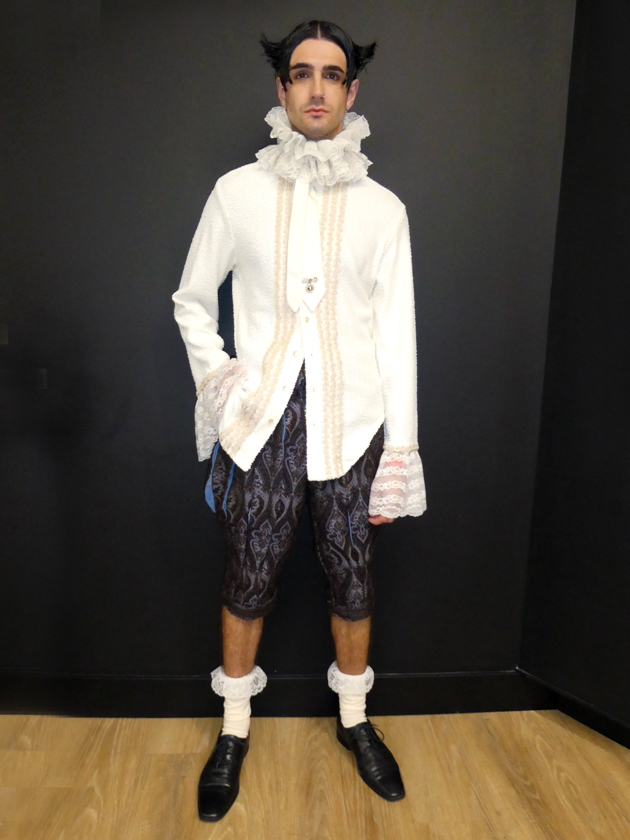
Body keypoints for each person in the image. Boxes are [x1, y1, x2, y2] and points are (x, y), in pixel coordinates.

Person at [173, 19, 427, 822]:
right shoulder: (236, 193)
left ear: (352, 91)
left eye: (333, 74)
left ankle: (355, 719)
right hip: (263, 426)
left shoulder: (384, 211)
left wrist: (400, 448)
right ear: (281, 88)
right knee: (248, 575)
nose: (318, 88)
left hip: (353, 426)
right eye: (302, 73)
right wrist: (223, 384)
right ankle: (233, 730)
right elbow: (190, 301)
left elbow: (397, 337)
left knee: (352, 576)